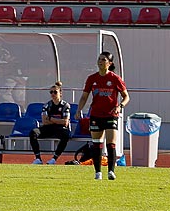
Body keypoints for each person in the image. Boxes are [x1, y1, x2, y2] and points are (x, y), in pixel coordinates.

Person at [77, 50, 129, 180]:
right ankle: (98, 172)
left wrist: (119, 106)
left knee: (111, 143)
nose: (100, 62)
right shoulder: (92, 78)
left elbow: (126, 97)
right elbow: (84, 97)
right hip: (96, 115)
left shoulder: (115, 79)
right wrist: (79, 109)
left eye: (103, 60)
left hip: (111, 115)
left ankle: (111, 171)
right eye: (99, 59)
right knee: (97, 143)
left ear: (110, 63)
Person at [30, 82, 76, 164]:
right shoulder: (47, 105)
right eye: (51, 92)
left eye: (55, 92)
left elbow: (65, 122)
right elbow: (44, 121)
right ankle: (38, 158)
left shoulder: (65, 105)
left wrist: (51, 118)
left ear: (60, 93)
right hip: (49, 128)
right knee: (33, 133)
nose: (53, 94)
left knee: (66, 135)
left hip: (60, 129)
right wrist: (57, 121)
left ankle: (54, 158)